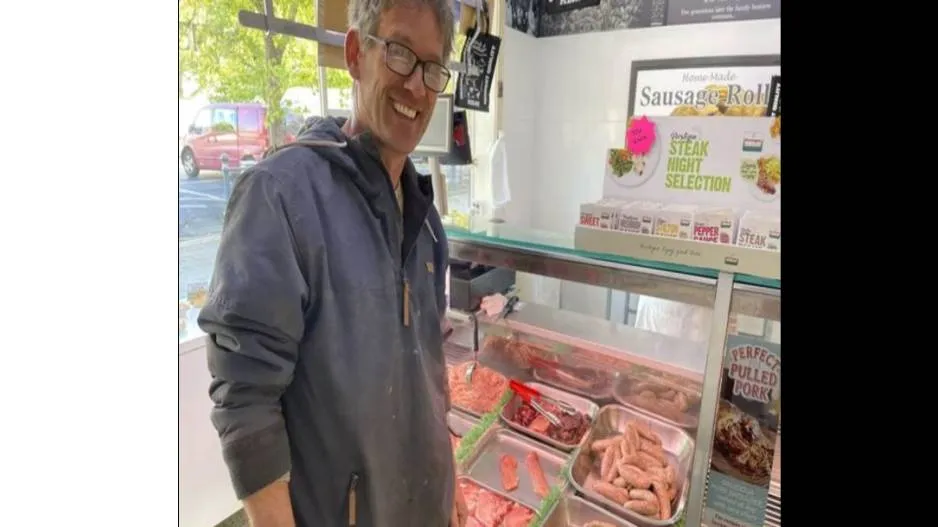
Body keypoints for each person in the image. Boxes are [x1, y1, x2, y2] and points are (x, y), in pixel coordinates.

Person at [197, 0, 465, 524]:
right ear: (354, 54)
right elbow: (245, 399)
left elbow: (430, 375)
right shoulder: (281, 197)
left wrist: (447, 480)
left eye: (433, 68)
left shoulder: (427, 221)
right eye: (400, 53)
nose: (417, 86)